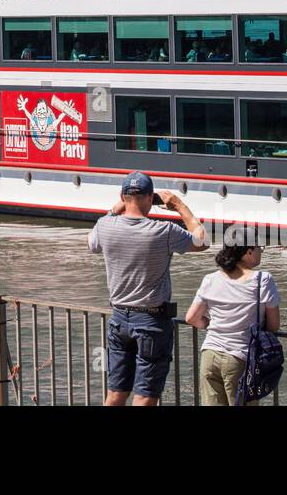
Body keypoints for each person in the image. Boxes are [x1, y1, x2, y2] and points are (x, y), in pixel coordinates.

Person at [88, 172, 207, 406]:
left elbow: (91, 242)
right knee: (144, 397)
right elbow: (202, 240)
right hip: (152, 322)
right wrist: (179, 205)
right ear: (150, 198)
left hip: (119, 319)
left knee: (115, 393)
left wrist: (116, 208)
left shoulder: (105, 225)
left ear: (123, 196)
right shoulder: (163, 231)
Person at [185, 227, 280, 406]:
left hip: (209, 354)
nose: (261, 251)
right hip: (239, 358)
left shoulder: (210, 279)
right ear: (248, 251)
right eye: (260, 247)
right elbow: (273, 326)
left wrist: (214, 324)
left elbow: (191, 318)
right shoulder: (262, 280)